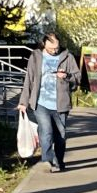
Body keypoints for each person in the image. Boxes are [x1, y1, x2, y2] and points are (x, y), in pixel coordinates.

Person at [20, 31, 82, 173]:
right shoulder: (36, 57)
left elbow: (78, 78)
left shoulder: (68, 57)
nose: (54, 51)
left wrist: (66, 76)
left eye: (56, 48)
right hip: (40, 103)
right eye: (51, 48)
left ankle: (59, 161)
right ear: (44, 44)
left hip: (61, 104)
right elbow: (29, 79)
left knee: (60, 136)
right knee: (46, 132)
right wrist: (23, 102)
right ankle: (48, 159)